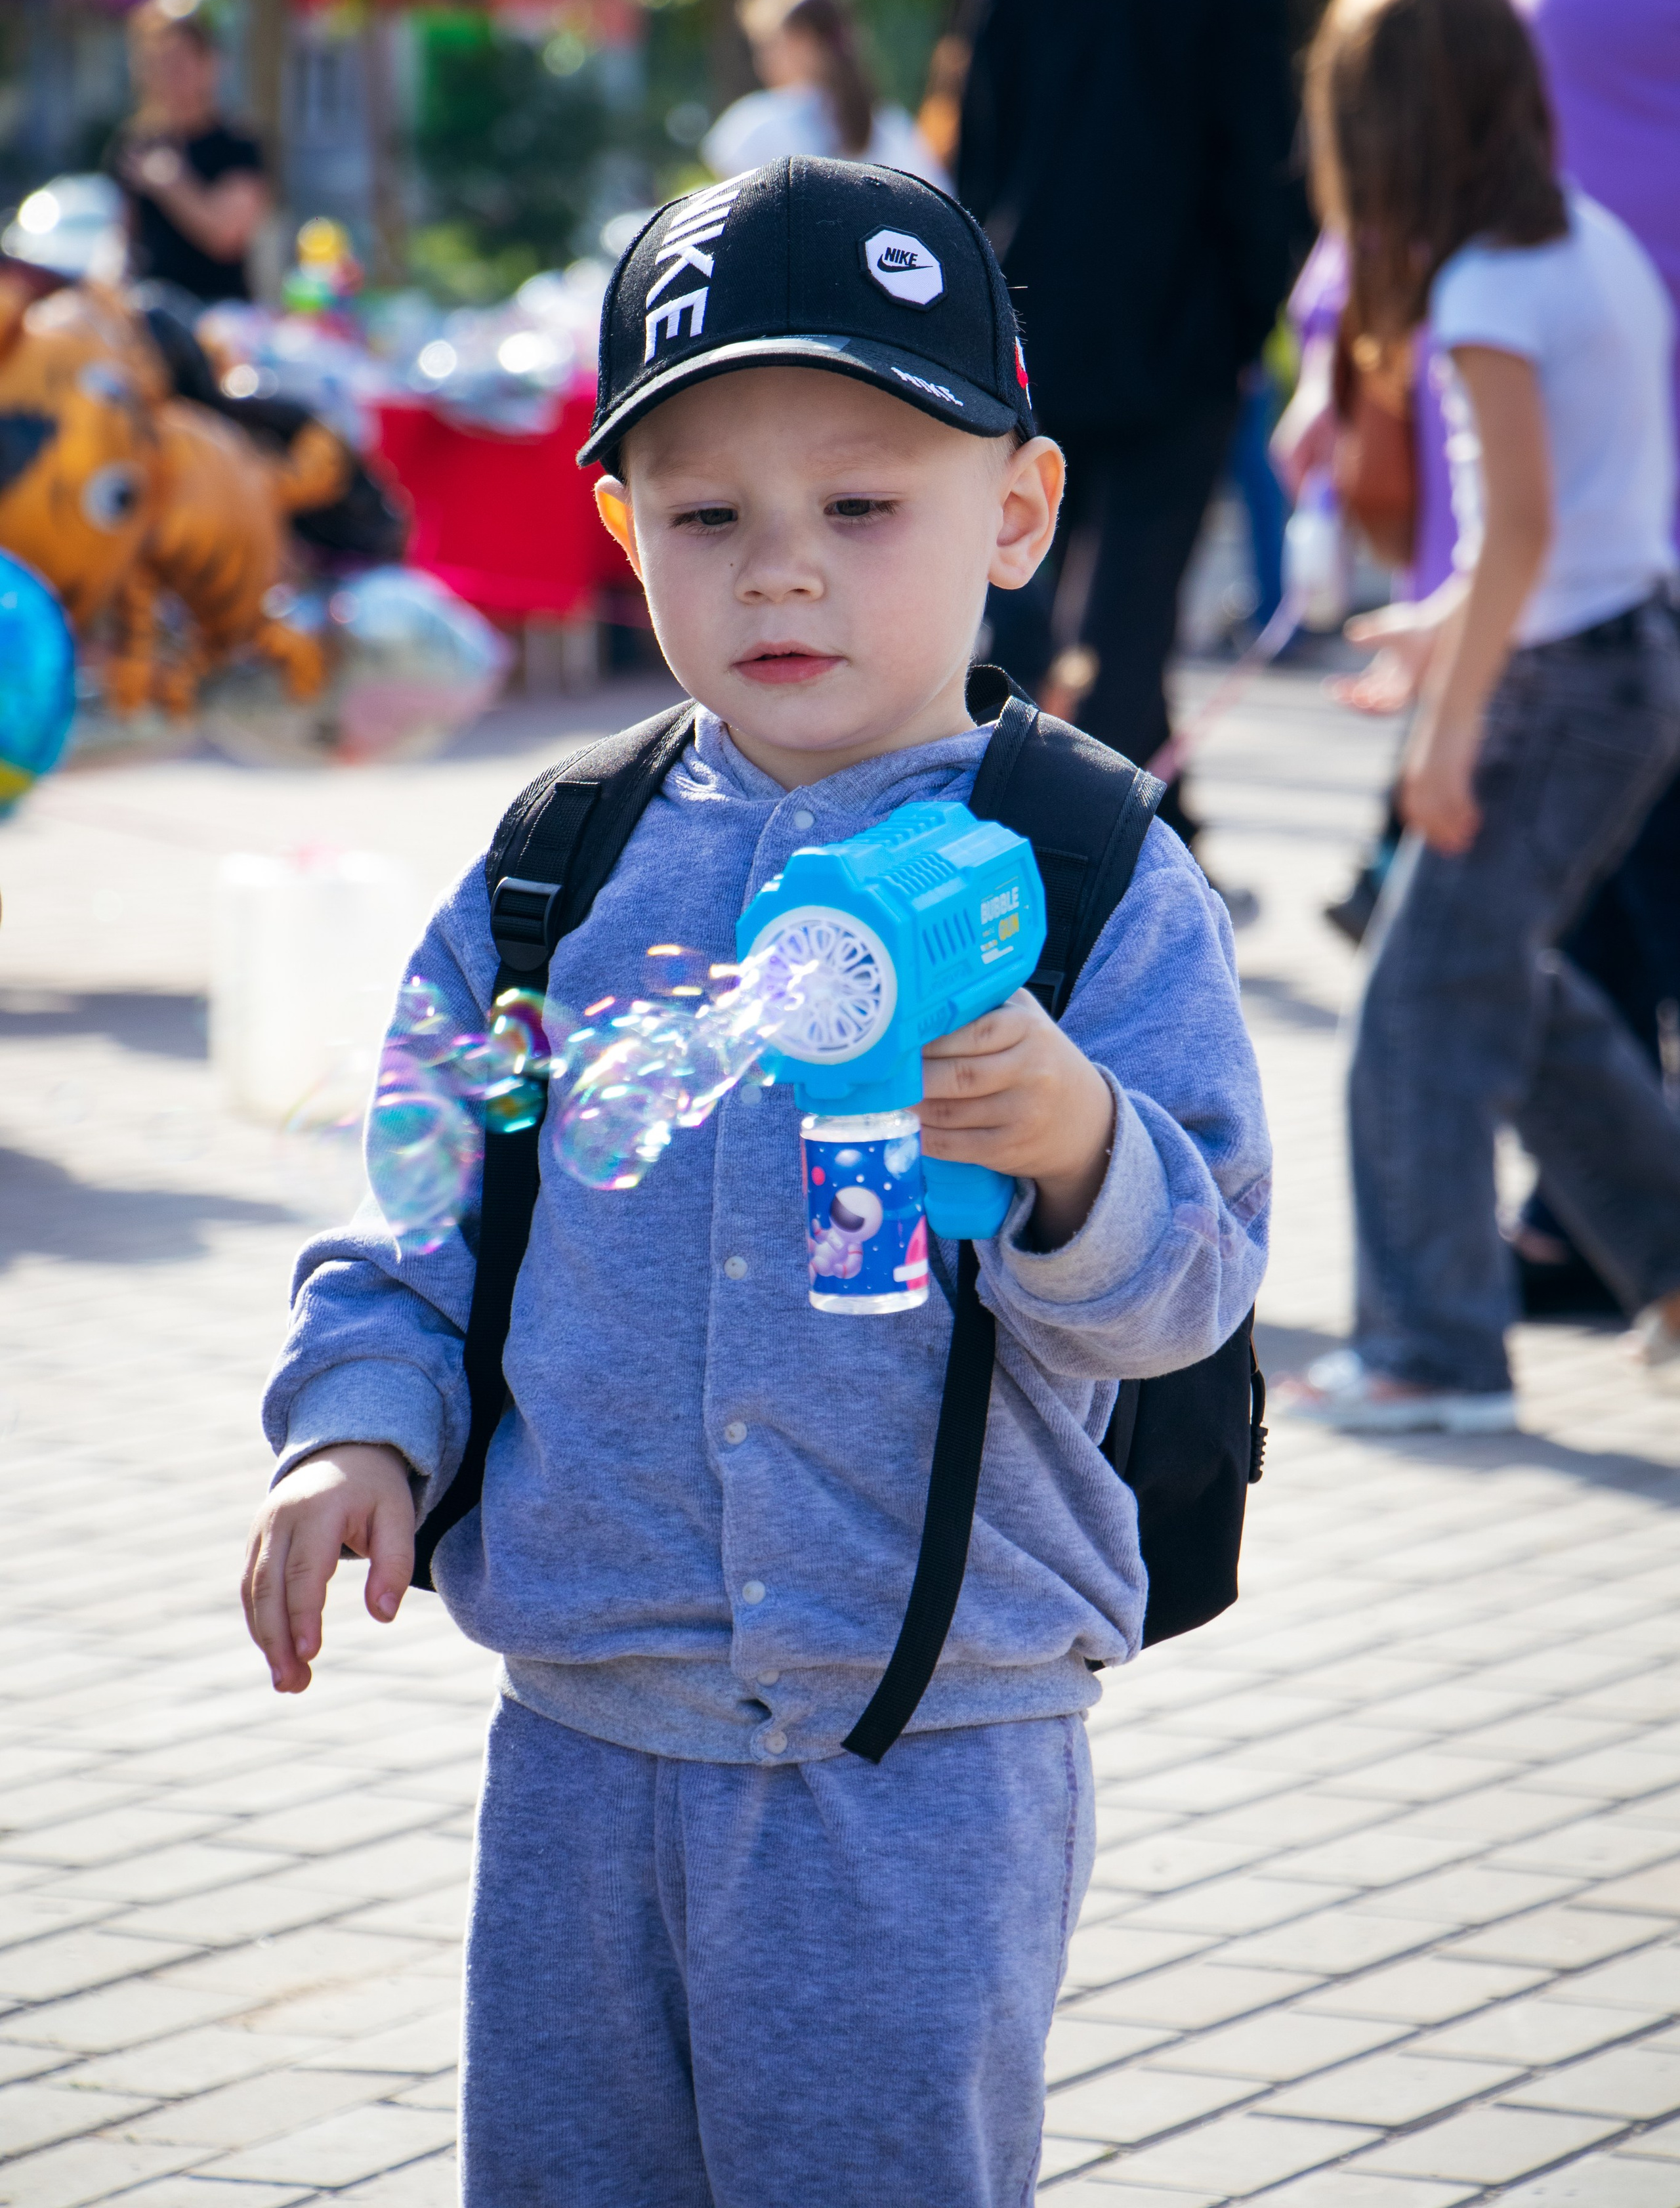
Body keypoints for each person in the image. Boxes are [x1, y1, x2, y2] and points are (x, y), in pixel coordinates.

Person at [242, 158, 1270, 2204]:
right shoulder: (556, 865)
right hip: (582, 1731)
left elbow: (1191, 1287)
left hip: (926, 1758)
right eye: (709, 514)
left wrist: (1073, 1152)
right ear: (622, 530)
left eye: (860, 505)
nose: (780, 573)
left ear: (1019, 511)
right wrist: (354, 1425)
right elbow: (422, 1208)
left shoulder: (1087, 873)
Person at [1276, 0, 1680, 1319]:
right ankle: (1622, 1243)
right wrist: (1328, 349)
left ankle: (1446, 1335)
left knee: (1460, 953)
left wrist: (1438, 726)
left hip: (1590, 536)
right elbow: (1385, 166)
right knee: (1508, 943)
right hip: (1536, 545)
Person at [956, 0, 1298, 846]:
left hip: (1033, 331)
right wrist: (1257, 325)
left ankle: (995, 822)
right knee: (1136, 610)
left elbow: (978, 166)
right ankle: (1130, 853)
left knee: (1019, 595)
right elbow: (1260, 178)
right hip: (1182, 341)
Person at [702, 0, 950, 189]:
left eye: (768, 47)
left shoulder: (756, 124)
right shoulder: (895, 129)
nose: (761, 63)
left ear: (803, 41)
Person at [107, 0, 268, 305]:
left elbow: (226, 237)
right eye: (158, 62)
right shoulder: (133, 142)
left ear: (210, 65)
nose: (170, 75)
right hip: (149, 308)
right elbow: (121, 239)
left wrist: (172, 184)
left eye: (180, 62)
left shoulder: (238, 144)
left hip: (218, 311)